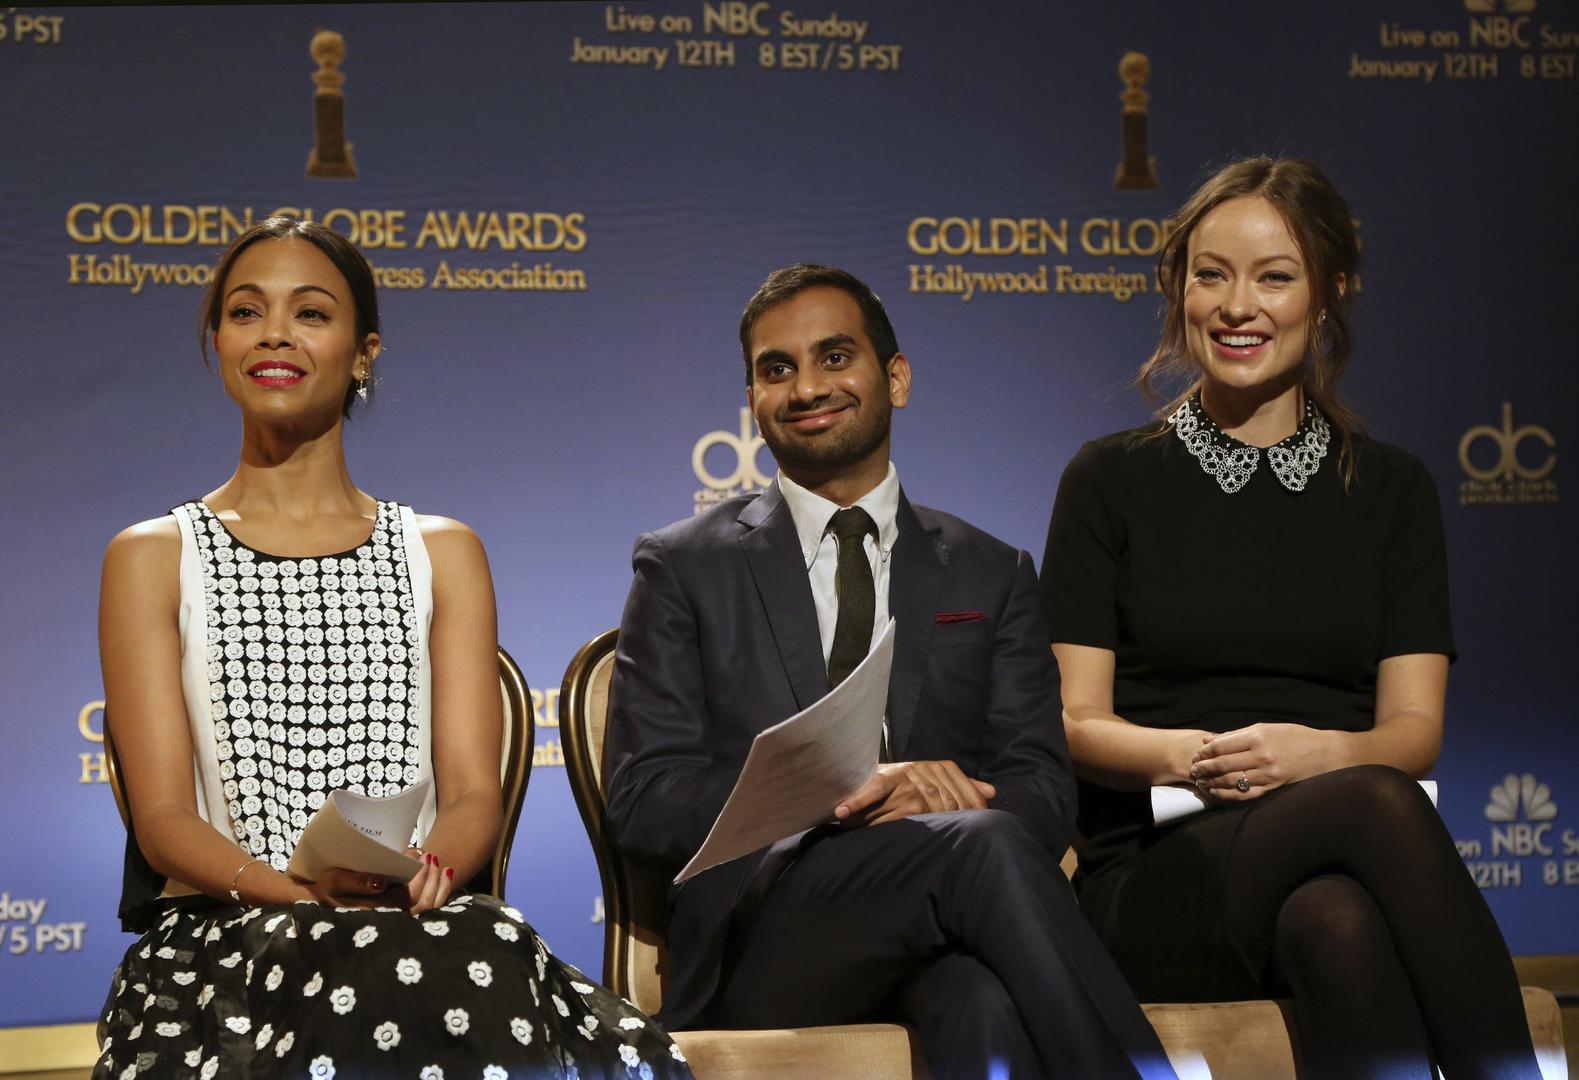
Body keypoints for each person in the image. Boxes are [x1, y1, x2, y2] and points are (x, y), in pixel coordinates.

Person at [94, 217, 691, 1079]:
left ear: (363, 352)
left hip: (416, 927)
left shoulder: (442, 552)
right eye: (246, 311)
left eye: (310, 313)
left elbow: (472, 792)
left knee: (473, 965)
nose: (274, 334)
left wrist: (423, 875)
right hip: (230, 940)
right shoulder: (152, 556)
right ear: (217, 342)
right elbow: (163, 822)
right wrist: (299, 898)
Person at [605, 264, 1177, 1080]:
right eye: (777, 369)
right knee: (979, 849)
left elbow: (1045, 792)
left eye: (834, 357)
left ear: (895, 378)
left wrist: (952, 796)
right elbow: (643, 801)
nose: (807, 387)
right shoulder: (683, 566)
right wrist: (843, 785)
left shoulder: (990, 571)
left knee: (981, 1002)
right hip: (762, 931)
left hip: (943, 916)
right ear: (753, 398)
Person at [1039, 157, 1542, 1080]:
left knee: (1337, 923)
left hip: (1337, 846)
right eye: (1210, 275)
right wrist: (1205, 759)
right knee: (1373, 803)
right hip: (1159, 867)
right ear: (1178, 290)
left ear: (1329, 293)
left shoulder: (1390, 489)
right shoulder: (1108, 479)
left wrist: (1315, 757)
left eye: (1273, 277)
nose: (1237, 306)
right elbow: (1073, 720)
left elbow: (1413, 731)